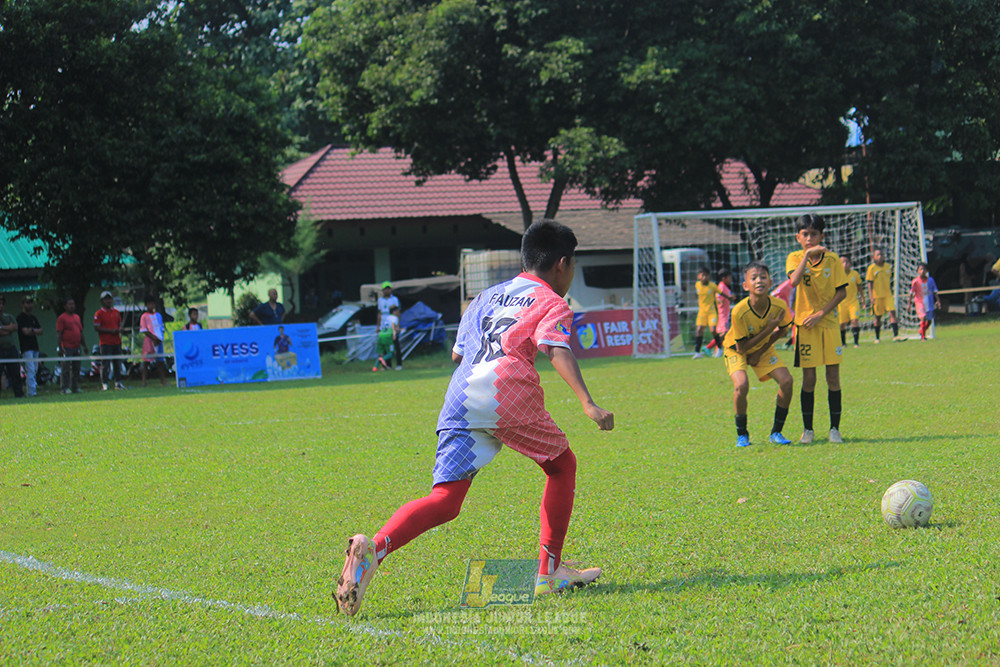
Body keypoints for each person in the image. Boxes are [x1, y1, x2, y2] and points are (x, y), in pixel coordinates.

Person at [335, 220, 615, 616]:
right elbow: (556, 348)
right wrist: (588, 402)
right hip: (506, 390)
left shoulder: (485, 295)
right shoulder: (552, 301)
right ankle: (549, 573)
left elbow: (457, 353)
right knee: (562, 466)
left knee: (446, 500)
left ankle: (374, 551)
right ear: (562, 264)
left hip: (461, 394)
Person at [786, 214, 848, 445]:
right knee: (809, 379)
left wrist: (822, 313)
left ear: (822, 235)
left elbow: (842, 292)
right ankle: (808, 430)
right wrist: (807, 256)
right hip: (805, 326)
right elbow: (793, 282)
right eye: (805, 234)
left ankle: (835, 429)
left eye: (814, 234)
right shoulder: (794, 258)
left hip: (829, 325)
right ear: (798, 237)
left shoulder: (833, 260)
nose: (810, 238)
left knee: (833, 376)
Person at [723, 261, 795, 448]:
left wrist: (762, 350)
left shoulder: (779, 306)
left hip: (763, 348)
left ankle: (776, 432)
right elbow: (742, 349)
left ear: (770, 282)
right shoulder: (739, 311)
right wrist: (769, 328)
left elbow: (783, 331)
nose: (759, 281)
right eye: (753, 278)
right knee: (741, 385)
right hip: (736, 349)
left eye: (763, 277)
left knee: (787, 381)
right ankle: (742, 434)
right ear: (746, 285)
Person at [866, 248, 899, 342]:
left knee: (892, 313)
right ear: (874, 257)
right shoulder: (871, 268)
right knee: (878, 317)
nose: (880, 256)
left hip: (888, 295)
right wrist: (871, 297)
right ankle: (877, 338)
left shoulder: (887, 267)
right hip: (877, 296)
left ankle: (895, 335)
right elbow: (869, 283)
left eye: (881, 254)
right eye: (878, 255)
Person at [93, 290, 125, 390]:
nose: (108, 301)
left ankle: (118, 383)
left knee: (117, 363)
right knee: (105, 364)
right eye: (105, 299)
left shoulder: (116, 312)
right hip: (105, 343)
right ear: (102, 301)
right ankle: (105, 383)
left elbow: (119, 325)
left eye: (109, 299)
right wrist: (110, 331)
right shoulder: (99, 314)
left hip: (117, 342)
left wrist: (120, 330)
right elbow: (97, 328)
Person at [56, 297, 85, 394]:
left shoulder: (77, 317)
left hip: (77, 347)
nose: (72, 306)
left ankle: (75, 387)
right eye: (69, 304)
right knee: (66, 368)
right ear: (65, 306)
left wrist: (84, 346)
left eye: (73, 304)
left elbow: (80, 332)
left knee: (76, 368)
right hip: (67, 347)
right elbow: (59, 334)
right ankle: (64, 388)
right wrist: (60, 348)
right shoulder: (62, 318)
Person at [692, 267, 722, 359]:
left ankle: (720, 349)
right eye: (703, 275)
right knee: (699, 330)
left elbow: (720, 293)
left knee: (713, 330)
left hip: (711, 311)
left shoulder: (712, 285)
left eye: (706, 275)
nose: (705, 277)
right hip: (702, 312)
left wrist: (726, 298)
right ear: (699, 276)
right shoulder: (697, 285)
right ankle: (697, 352)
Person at [17, 296, 43, 397]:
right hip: (26, 348)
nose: (30, 305)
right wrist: (33, 330)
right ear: (23, 304)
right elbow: (25, 332)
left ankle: (33, 390)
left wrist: (31, 330)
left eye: (31, 303)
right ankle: (31, 392)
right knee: (30, 370)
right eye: (28, 303)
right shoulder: (20, 318)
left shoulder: (33, 318)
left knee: (35, 370)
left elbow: (40, 331)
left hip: (35, 347)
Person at [706, 269, 735, 358]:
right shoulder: (721, 287)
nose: (731, 280)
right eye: (729, 278)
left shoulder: (724, 287)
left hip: (726, 313)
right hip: (722, 313)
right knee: (724, 333)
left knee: (724, 333)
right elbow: (718, 297)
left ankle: (717, 350)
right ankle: (708, 347)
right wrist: (721, 301)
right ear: (724, 278)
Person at [139, 297, 167, 387]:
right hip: (149, 341)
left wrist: (159, 339)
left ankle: (163, 381)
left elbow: (161, 328)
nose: (151, 306)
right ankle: (144, 382)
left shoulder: (158, 315)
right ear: (146, 305)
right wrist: (154, 338)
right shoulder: (144, 316)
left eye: (153, 304)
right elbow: (144, 330)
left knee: (160, 362)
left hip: (159, 341)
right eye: (149, 304)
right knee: (146, 362)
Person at [0, 294, 24, 398]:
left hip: (11, 349)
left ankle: (19, 394)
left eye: (2, 304)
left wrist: (2, 328)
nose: (0, 306)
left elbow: (15, 327)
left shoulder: (9, 316)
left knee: (15, 372)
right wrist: (7, 329)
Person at [838, 255, 863, 348]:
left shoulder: (855, 274)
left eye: (846, 262)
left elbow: (859, 286)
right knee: (841, 324)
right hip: (841, 303)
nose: (845, 264)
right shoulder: (837, 275)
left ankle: (856, 343)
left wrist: (863, 298)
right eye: (842, 262)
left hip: (853, 302)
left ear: (850, 264)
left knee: (855, 320)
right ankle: (843, 343)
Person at [910, 263, 941, 341]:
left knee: (929, 321)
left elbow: (935, 291)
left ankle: (921, 331)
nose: (922, 271)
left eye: (924, 269)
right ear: (917, 271)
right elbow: (911, 293)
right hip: (919, 302)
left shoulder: (931, 280)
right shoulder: (915, 281)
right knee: (923, 317)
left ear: (927, 271)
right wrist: (909, 304)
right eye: (921, 269)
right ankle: (923, 337)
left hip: (929, 302)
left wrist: (938, 301)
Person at [374, 304, 401, 372]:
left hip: (382, 335)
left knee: (384, 351)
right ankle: (382, 360)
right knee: (392, 352)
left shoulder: (387, 317)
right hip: (388, 336)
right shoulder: (394, 317)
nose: (398, 313)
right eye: (397, 311)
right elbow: (392, 324)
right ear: (394, 312)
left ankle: (378, 366)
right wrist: (394, 332)